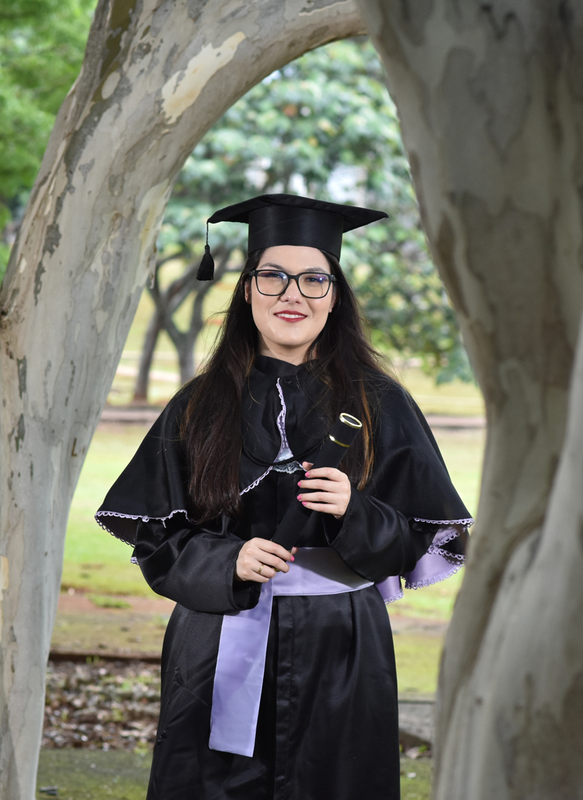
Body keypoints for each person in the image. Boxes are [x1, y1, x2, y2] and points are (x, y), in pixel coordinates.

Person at [95, 194, 471, 800]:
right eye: (272, 276)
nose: (292, 294)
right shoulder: (197, 406)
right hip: (217, 642)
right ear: (246, 290)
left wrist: (356, 512)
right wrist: (226, 561)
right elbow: (156, 542)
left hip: (341, 649)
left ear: (335, 294)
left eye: (313, 279)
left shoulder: (382, 406)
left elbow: (417, 544)